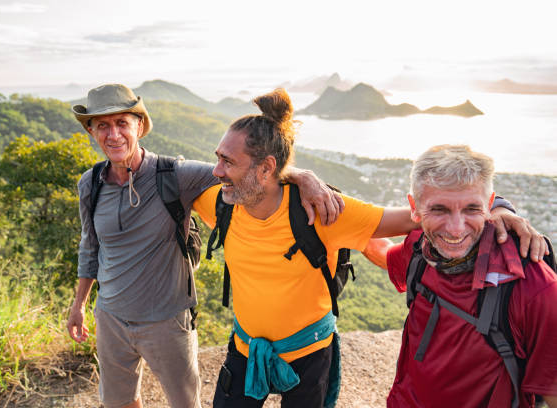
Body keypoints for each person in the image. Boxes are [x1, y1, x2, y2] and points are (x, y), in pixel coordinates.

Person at [191, 89, 545, 408]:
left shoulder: (321, 210)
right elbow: (156, 168)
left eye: (227, 162)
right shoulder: (218, 200)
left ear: (267, 168)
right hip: (244, 348)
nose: (217, 170)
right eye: (218, 158)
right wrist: (299, 173)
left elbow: (421, 214)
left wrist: (498, 206)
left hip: (310, 353)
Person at [66, 84, 345, 408]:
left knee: (185, 403)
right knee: (119, 402)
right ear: (91, 131)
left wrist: (303, 176)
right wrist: (79, 305)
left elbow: (249, 170)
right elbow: (90, 246)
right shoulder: (90, 184)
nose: (113, 134)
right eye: (102, 125)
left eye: (121, 124)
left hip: (167, 321)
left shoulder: (173, 175)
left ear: (139, 126)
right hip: (111, 317)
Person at [363, 145, 557, 407]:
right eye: (439, 210)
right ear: (414, 208)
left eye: (471, 209)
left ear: (490, 205)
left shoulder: (533, 286)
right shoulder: (420, 246)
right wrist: (340, 225)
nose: (455, 230)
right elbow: (386, 256)